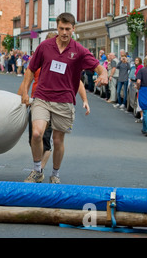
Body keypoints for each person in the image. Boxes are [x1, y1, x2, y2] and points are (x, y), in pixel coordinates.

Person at [18, 13, 107, 184]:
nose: (64, 32)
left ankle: (55, 174)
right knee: (36, 134)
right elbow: (30, 69)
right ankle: (37, 170)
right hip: (42, 97)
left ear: (73, 29)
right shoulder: (44, 46)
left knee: (58, 140)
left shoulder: (79, 51)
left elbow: (98, 67)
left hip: (64, 100)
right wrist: (25, 92)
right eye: (61, 29)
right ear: (57, 28)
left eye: (67, 29)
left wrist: (103, 75)